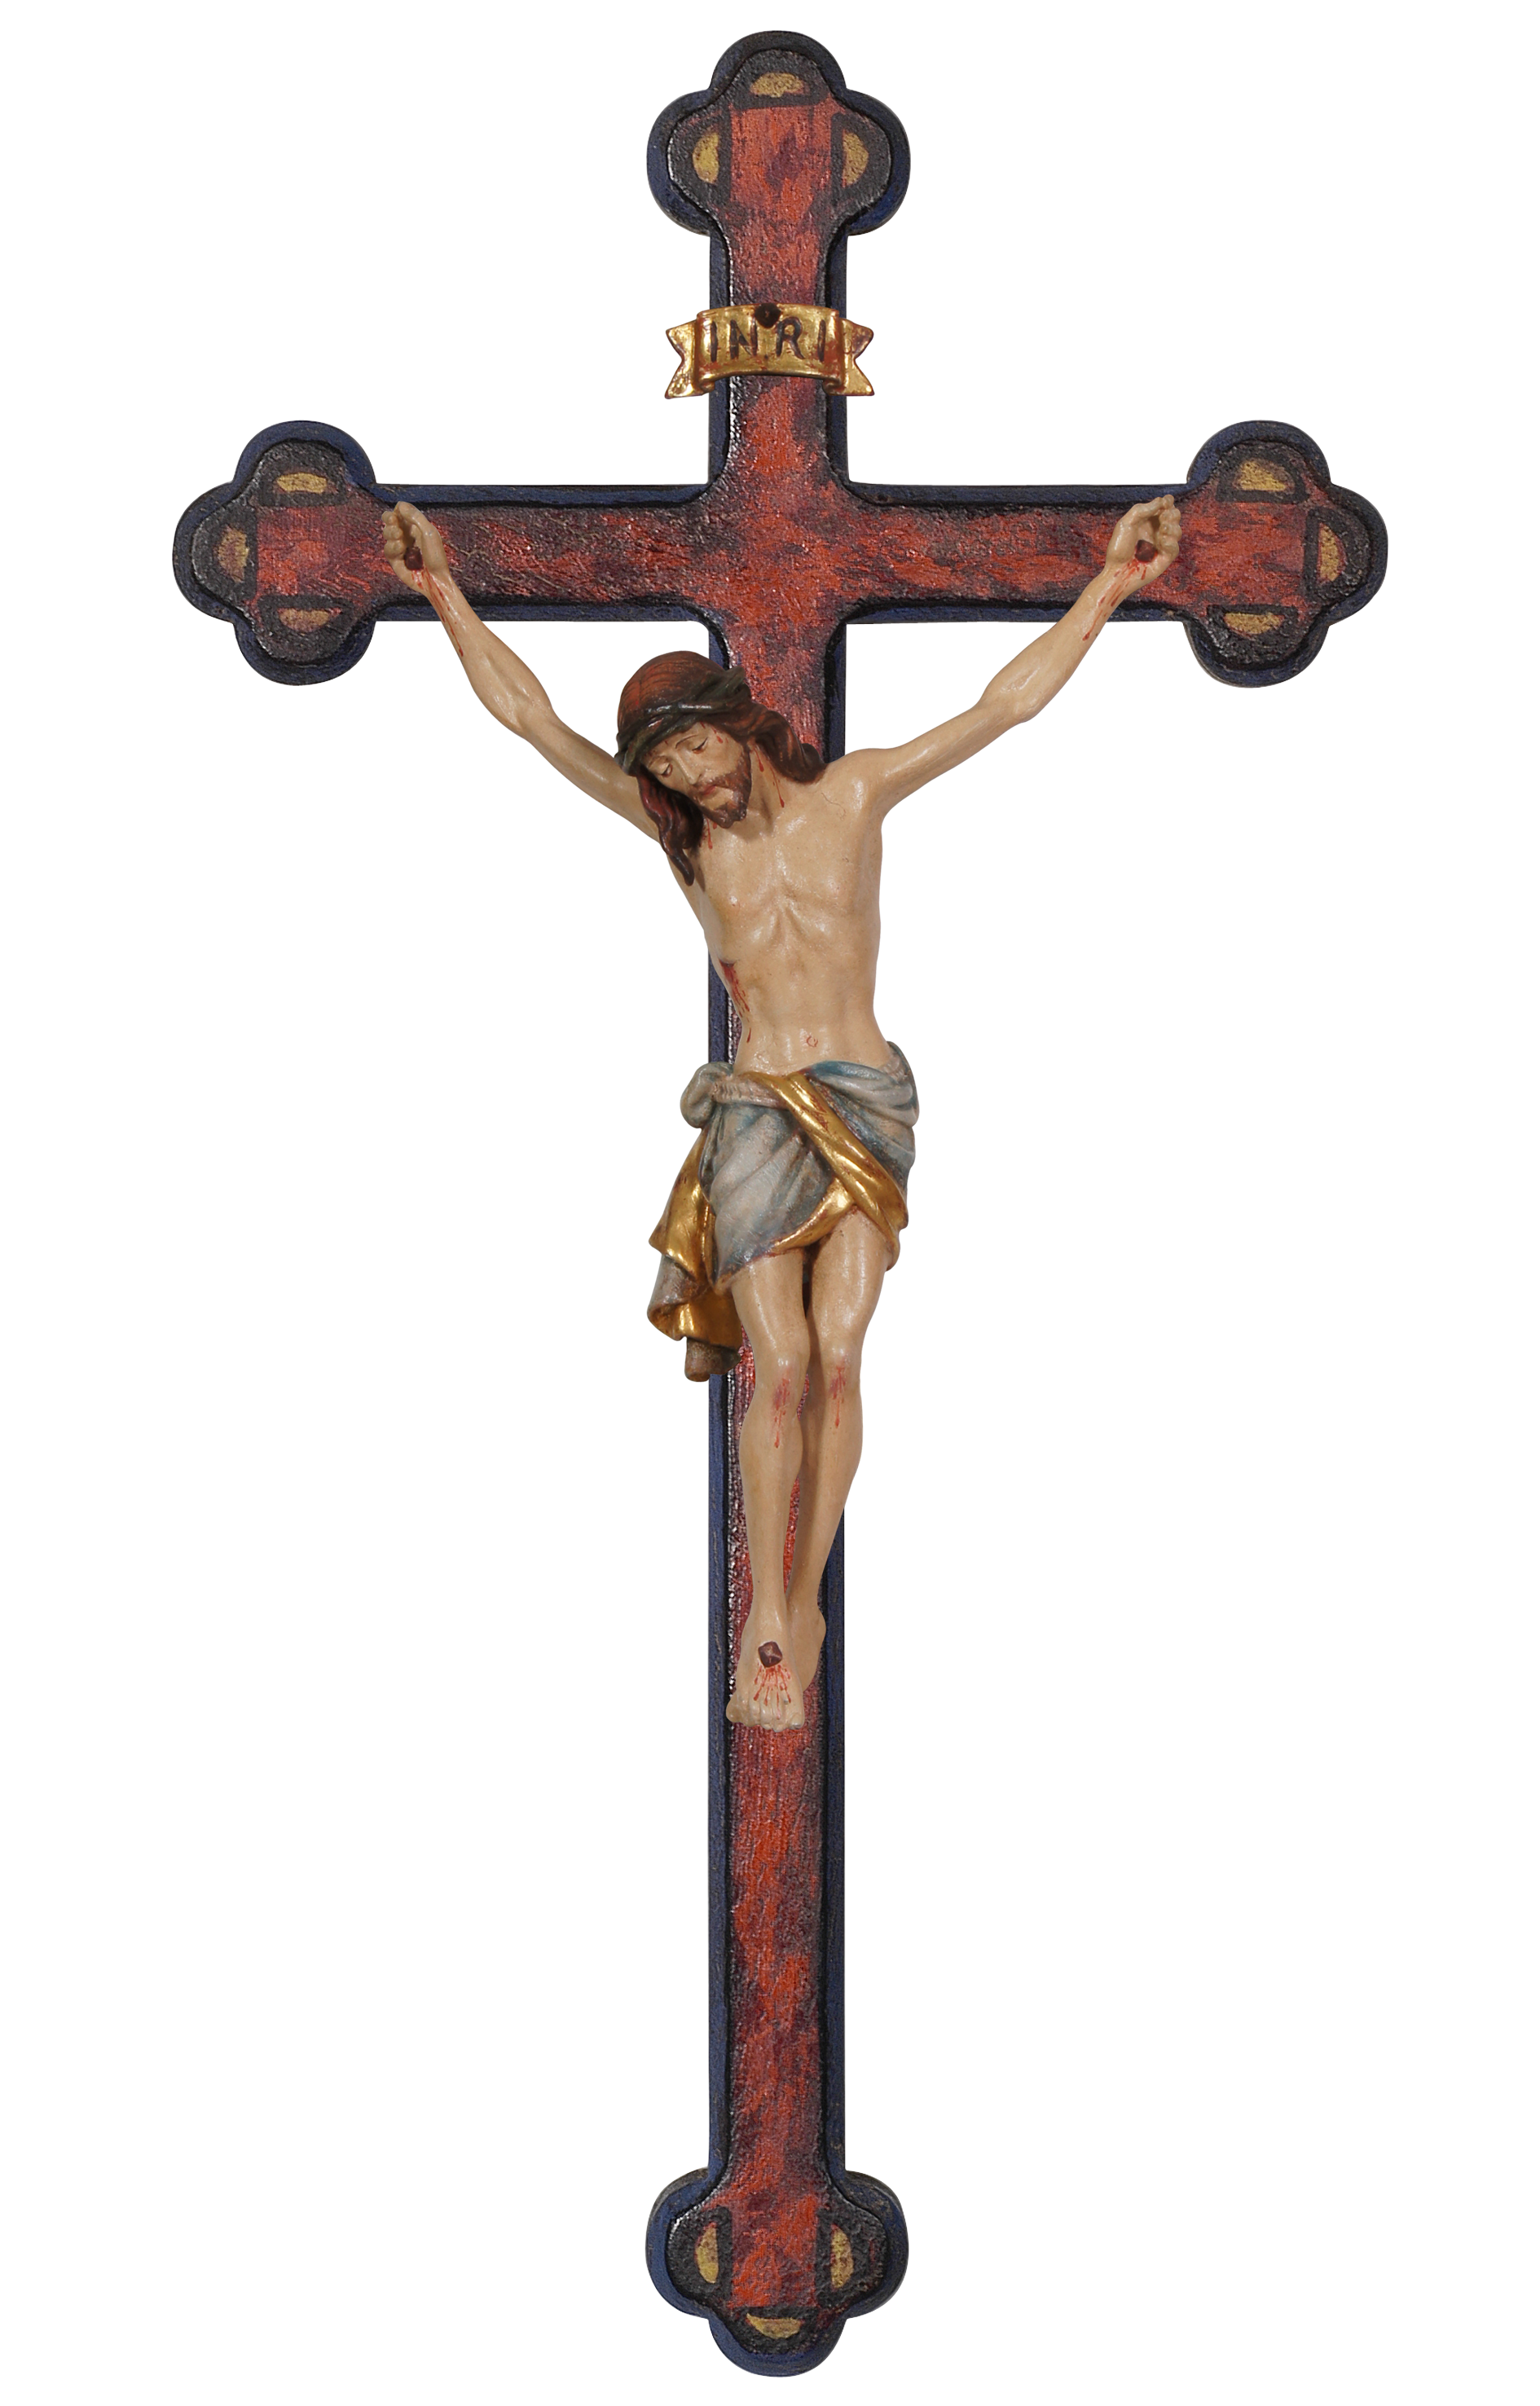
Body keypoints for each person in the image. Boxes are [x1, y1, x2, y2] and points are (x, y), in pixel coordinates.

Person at [382, 492, 1181, 1727]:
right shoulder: (685, 848)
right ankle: (767, 1606)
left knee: (844, 1351)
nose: (687, 778)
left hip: (862, 1101)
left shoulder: (853, 797)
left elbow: (1005, 708)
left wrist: (1114, 584)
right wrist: (441, 591)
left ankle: (802, 1603)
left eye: (695, 750)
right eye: (664, 769)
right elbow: (533, 719)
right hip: (758, 1112)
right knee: (786, 1364)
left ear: (737, 726)